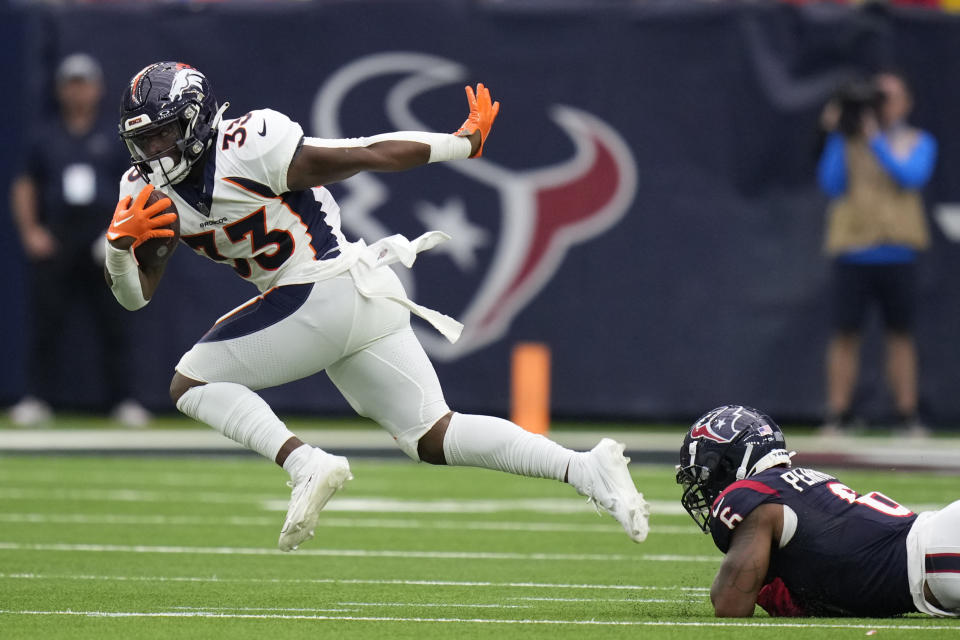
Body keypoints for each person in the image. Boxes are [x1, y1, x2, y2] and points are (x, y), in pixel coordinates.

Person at [103, 61, 650, 551]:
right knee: (434, 435)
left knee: (189, 384)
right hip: (357, 301)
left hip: (324, 287)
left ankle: (305, 463)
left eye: (165, 136)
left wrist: (459, 144)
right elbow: (134, 298)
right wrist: (119, 249)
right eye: (145, 142)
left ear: (197, 122)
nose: (156, 152)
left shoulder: (247, 145)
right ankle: (584, 468)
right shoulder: (145, 192)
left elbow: (362, 152)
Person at [676, 404, 960, 618]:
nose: (704, 485)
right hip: (939, 546)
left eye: (707, 469)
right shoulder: (797, 485)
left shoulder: (752, 496)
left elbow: (730, 605)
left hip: (937, 556)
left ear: (733, 462)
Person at [9, 53, 151, 428]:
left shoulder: (115, 135)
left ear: (97, 89)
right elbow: (24, 184)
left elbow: (138, 186)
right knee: (47, 320)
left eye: (83, 84)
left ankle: (124, 399)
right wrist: (31, 231)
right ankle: (37, 397)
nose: (78, 92)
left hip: (104, 237)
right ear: (60, 90)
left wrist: (118, 233)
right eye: (71, 84)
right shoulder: (45, 135)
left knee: (115, 319)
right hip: (58, 237)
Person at [817, 71, 937, 436]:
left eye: (890, 97)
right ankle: (839, 414)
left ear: (906, 103)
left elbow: (911, 176)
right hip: (853, 250)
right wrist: (839, 133)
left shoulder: (917, 140)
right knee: (844, 335)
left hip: (898, 252)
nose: (882, 104)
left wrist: (877, 141)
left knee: (900, 335)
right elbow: (830, 183)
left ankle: (906, 413)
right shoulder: (848, 141)